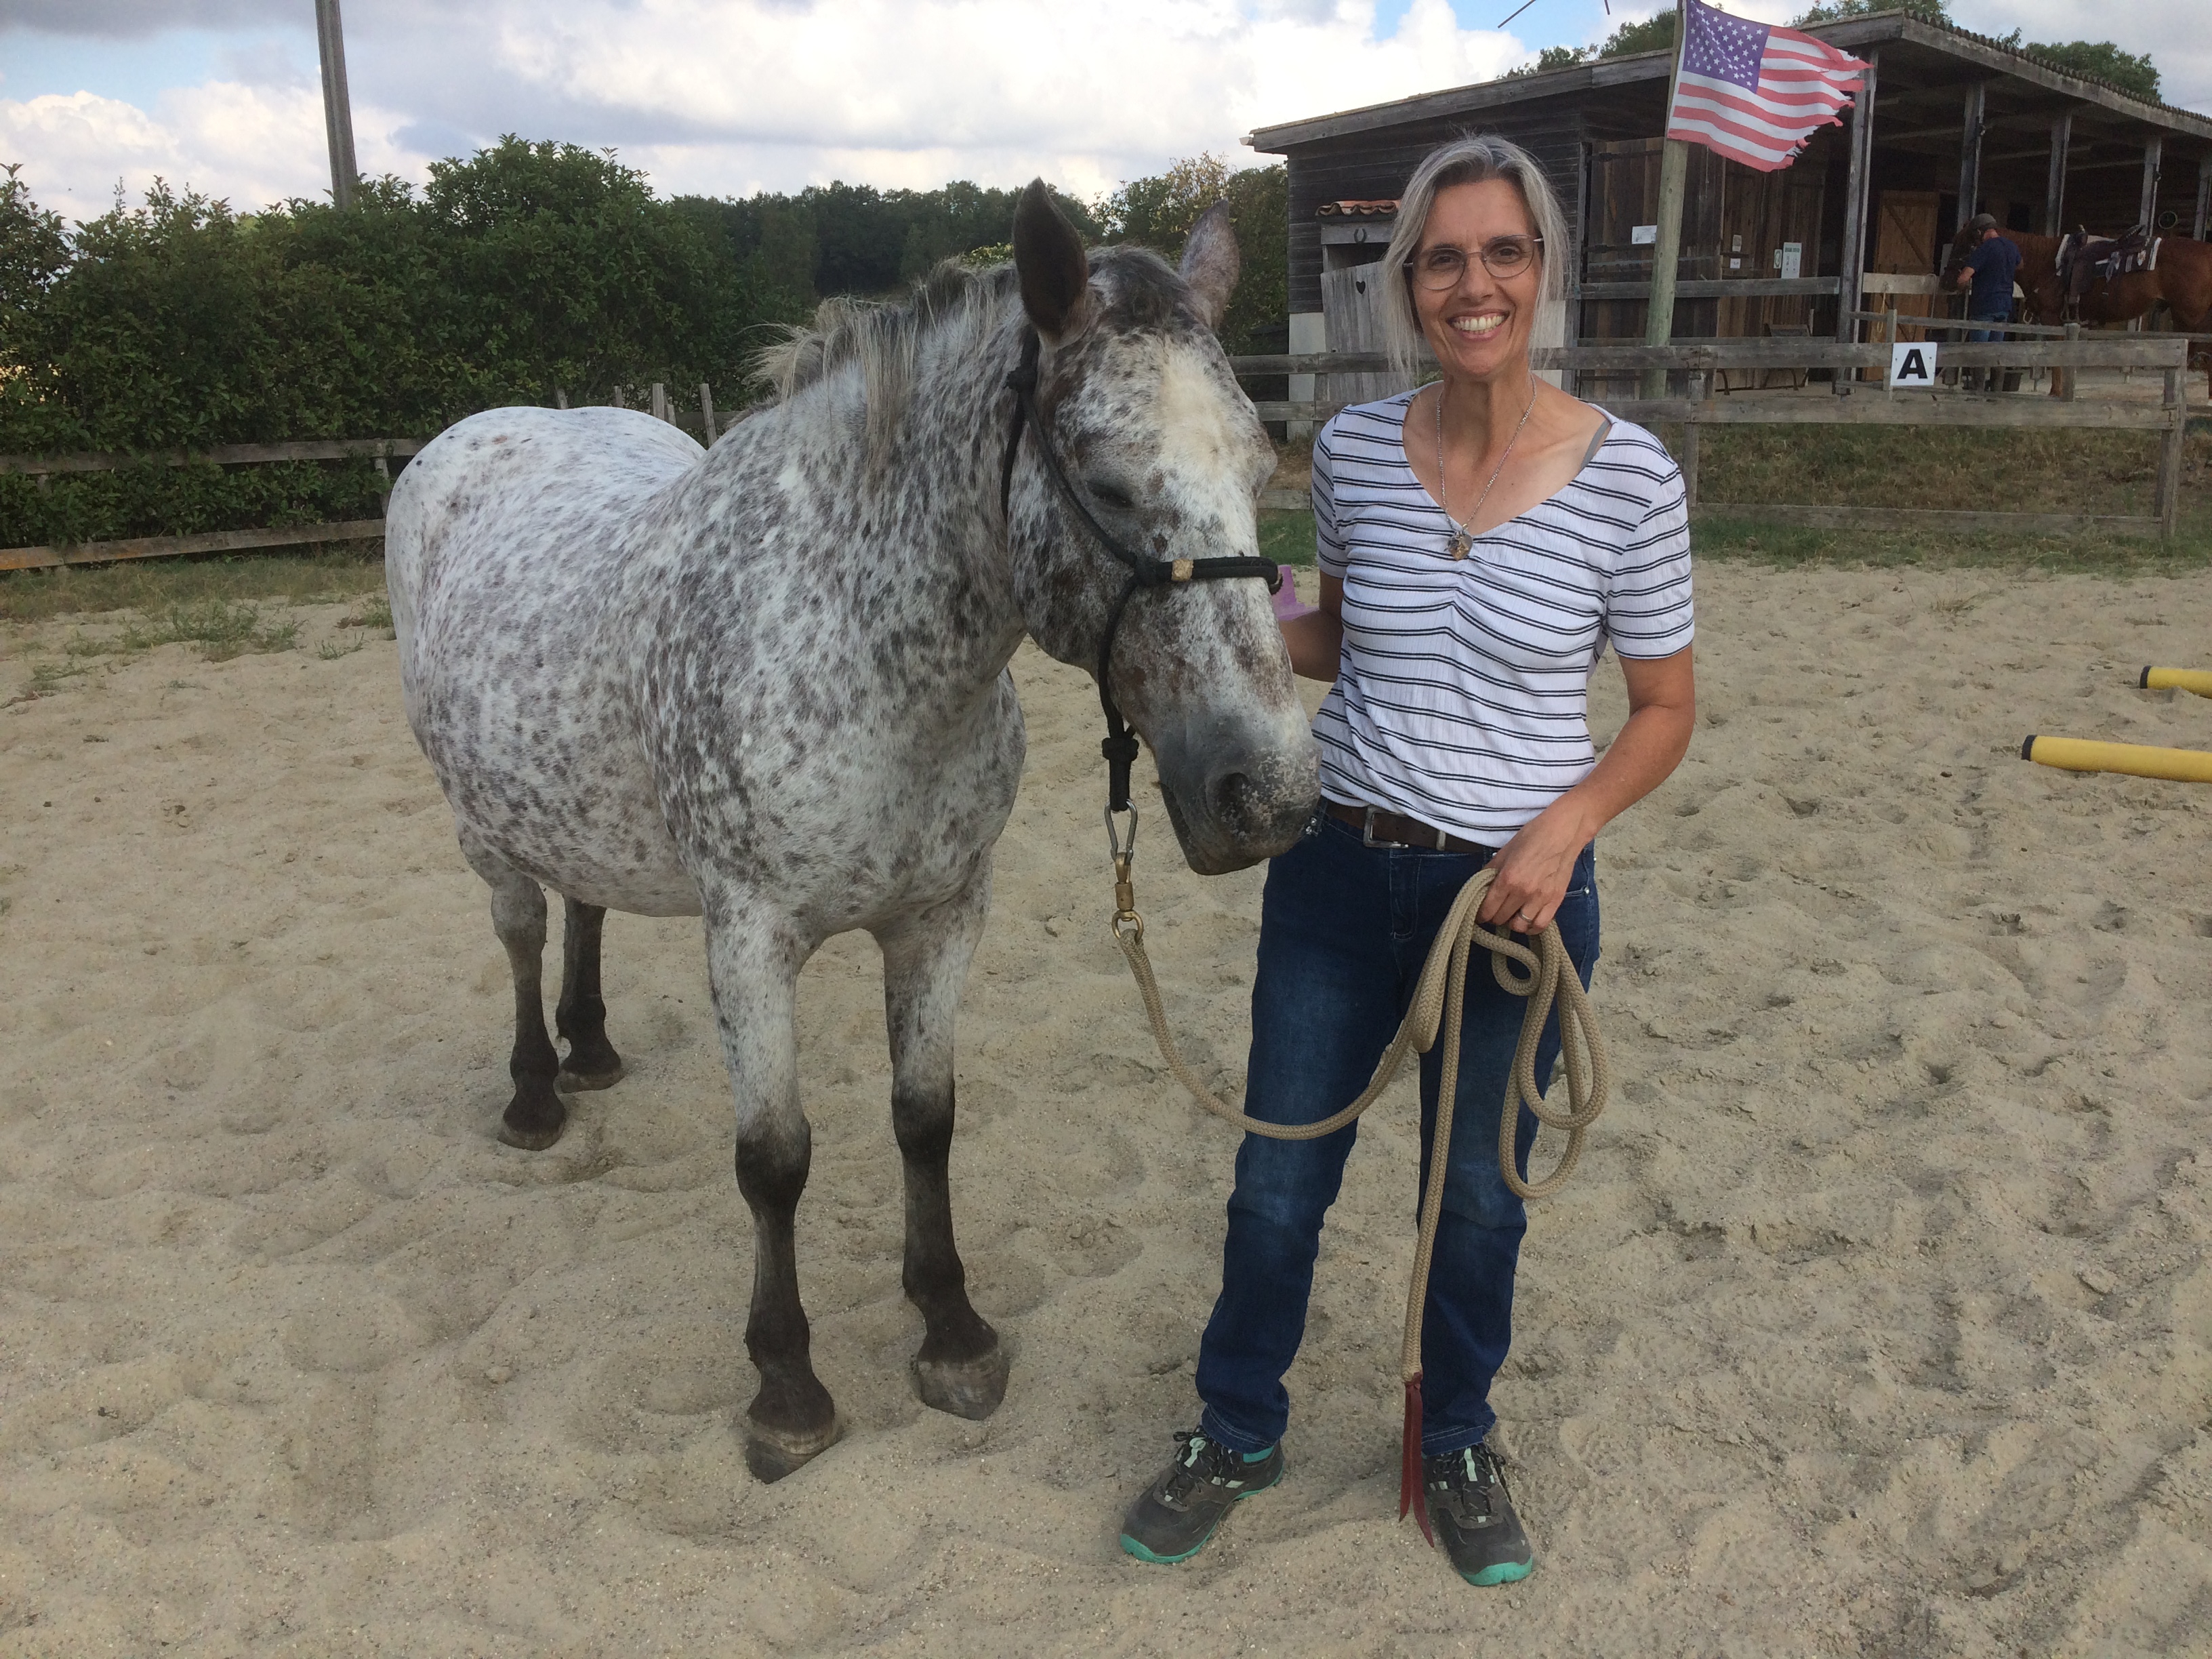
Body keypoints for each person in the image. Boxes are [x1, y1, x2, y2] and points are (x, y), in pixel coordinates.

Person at [1117, 134, 1696, 1588]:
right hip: (1337, 869)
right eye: (1442, 259)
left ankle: (1457, 1441)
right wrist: (1227, 609)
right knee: (1276, 1181)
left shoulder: (1630, 478)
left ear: (1541, 271)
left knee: (1479, 1198)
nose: (1471, 284)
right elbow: (1339, 630)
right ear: (1408, 285)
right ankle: (1235, 1427)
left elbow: (1664, 710)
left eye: (1501, 252)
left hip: (1512, 902)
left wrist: (1563, 826)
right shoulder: (1358, 451)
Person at [1954, 212, 2022, 390]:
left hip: (1984, 306)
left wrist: (1962, 286)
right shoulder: (2011, 246)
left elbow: (1963, 278)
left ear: (1979, 232)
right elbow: (2020, 265)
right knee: (1996, 351)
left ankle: (1978, 391)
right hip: (2005, 306)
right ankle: (1996, 392)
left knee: (1979, 352)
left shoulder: (1984, 250)